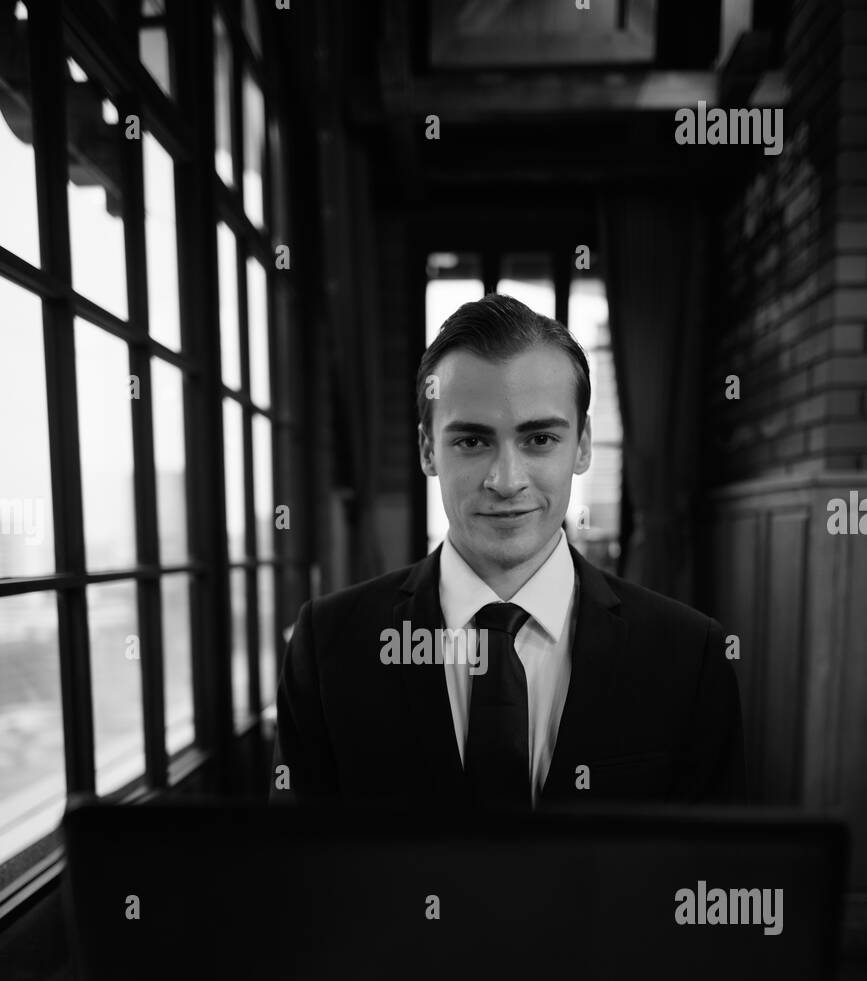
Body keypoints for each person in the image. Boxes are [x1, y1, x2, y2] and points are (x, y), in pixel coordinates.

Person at [270, 294, 746, 810]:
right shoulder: (327, 647)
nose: (506, 481)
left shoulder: (690, 654)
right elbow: (301, 874)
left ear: (582, 446)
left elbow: (706, 872)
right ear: (428, 449)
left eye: (539, 438)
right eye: (472, 442)